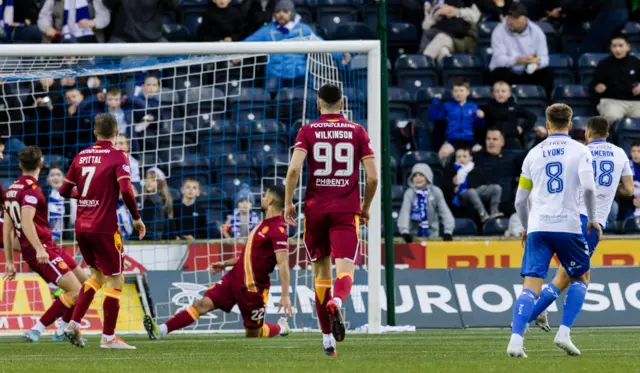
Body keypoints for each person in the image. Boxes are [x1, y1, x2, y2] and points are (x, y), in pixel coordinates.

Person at [284, 83, 378, 356]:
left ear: (318, 104)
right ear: (343, 103)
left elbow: (293, 170)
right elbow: (372, 177)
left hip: (314, 212)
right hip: (346, 211)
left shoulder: (307, 131)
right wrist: (366, 206)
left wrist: (289, 202)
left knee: (321, 275)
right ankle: (338, 300)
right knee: (345, 270)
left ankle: (327, 340)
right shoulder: (357, 131)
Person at [507, 104, 602, 358]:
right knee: (581, 278)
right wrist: (593, 219)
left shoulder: (533, 154)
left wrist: (527, 227)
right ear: (570, 125)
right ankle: (564, 332)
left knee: (530, 287)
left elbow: (519, 201)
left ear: (547, 124)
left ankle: (516, 339)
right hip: (568, 226)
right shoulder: (580, 151)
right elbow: (590, 189)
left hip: (538, 226)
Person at [526, 116, 635, 333]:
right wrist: (611, 191)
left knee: (568, 274)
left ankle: (535, 314)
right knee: (573, 276)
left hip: (560, 218)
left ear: (587, 132)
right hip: (588, 223)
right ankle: (528, 320)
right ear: (608, 133)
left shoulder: (577, 151)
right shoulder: (620, 153)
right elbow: (630, 190)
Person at [143, 186, 293, 339]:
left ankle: (281, 327)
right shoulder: (262, 224)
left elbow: (283, 263)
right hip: (233, 279)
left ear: (271, 200)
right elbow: (249, 256)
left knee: (254, 334)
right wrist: (225, 264)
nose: (262, 198)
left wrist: (285, 295)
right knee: (202, 304)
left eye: (265, 196)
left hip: (254, 289)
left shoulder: (278, 230)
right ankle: (160, 330)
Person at [59, 113, 146, 349]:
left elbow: (64, 191)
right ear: (116, 132)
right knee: (116, 278)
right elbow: (127, 191)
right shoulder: (119, 156)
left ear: (95, 133)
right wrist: (137, 219)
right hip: (104, 227)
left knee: (96, 276)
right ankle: (108, 338)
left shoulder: (81, 156)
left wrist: (85, 197)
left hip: (81, 227)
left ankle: (74, 323)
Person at [3, 146, 89, 344]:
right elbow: (25, 223)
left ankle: (63, 329)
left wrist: (9, 261)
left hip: (49, 246)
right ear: (41, 164)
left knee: (86, 284)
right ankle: (37, 329)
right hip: (41, 249)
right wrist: (40, 250)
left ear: (20, 165)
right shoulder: (31, 191)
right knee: (76, 291)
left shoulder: (11, 190)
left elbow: (7, 228)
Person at [244, 0, 345, 93]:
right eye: (278, 12)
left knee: (308, 94)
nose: (281, 15)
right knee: (269, 97)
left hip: (299, 74)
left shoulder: (303, 29)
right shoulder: (267, 30)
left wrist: (341, 55)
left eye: (285, 11)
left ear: (292, 13)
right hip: (275, 74)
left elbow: (322, 45)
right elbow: (247, 44)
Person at [489, 3, 554, 97]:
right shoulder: (498, 31)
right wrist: (516, 60)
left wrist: (537, 63)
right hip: (508, 71)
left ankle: (545, 104)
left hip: (528, 71)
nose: (511, 21)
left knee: (547, 73)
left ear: (525, 19)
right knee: (500, 72)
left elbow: (544, 58)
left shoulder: (537, 32)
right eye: (509, 17)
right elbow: (498, 60)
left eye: (515, 18)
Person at [428, 77, 484, 163]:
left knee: (480, 152)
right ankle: (446, 175)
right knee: (443, 153)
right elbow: (434, 116)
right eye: (456, 91)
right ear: (452, 93)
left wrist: (480, 118)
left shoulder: (473, 106)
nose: (458, 93)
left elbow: (478, 125)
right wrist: (436, 101)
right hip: (452, 139)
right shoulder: (447, 106)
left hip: (469, 140)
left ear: (467, 92)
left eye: (461, 90)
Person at [473, 128, 523, 216]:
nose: (491, 142)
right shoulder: (476, 157)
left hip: (505, 204)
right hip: (482, 204)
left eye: (495, 139)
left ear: (502, 142)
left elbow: (532, 156)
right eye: (488, 139)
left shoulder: (512, 157)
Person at [398, 163, 455, 241]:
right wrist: (404, 231)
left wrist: (448, 232)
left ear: (428, 177)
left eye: (421, 175)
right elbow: (405, 212)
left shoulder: (436, 191)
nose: (417, 178)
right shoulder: (409, 193)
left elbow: (445, 213)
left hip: (433, 236)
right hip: (413, 237)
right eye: (415, 175)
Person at [592, 35, 640, 123]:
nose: (617, 49)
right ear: (610, 48)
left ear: (628, 47)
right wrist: (597, 87)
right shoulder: (603, 64)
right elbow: (593, 84)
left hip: (636, 102)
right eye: (614, 46)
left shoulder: (636, 63)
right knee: (612, 117)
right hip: (611, 101)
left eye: (621, 46)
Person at [446, 147, 502, 222]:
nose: (461, 159)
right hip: (463, 193)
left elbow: (481, 182)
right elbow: (447, 185)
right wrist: (454, 184)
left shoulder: (476, 168)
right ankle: (483, 215)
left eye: (464, 156)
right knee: (471, 191)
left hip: (477, 190)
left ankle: (494, 212)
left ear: (470, 158)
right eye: (458, 157)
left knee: (496, 188)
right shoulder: (452, 170)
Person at [479, 81, 537, 149]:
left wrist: (522, 127)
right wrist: (480, 114)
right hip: (493, 140)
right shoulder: (487, 107)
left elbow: (532, 117)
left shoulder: (514, 106)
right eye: (497, 91)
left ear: (509, 94)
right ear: (493, 94)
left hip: (511, 138)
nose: (500, 94)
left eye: (503, 91)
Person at [104, 0, 180, 43]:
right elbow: (107, 4)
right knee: (110, 62)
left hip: (154, 38)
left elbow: (175, 5)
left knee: (173, 62)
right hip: (123, 38)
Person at [38, 0, 111, 43]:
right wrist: (47, 27)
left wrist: (93, 23)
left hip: (88, 38)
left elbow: (104, 16)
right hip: (63, 39)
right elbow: (43, 16)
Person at [47, 164, 76, 242]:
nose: (55, 178)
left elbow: (74, 220)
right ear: (48, 180)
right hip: (49, 239)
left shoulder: (71, 197)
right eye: (52, 175)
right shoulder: (44, 198)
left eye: (58, 175)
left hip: (68, 239)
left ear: (63, 178)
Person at [141, 167, 172, 241]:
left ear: (160, 183)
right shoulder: (145, 198)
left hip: (155, 235)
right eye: (147, 179)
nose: (149, 182)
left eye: (153, 180)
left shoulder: (158, 200)